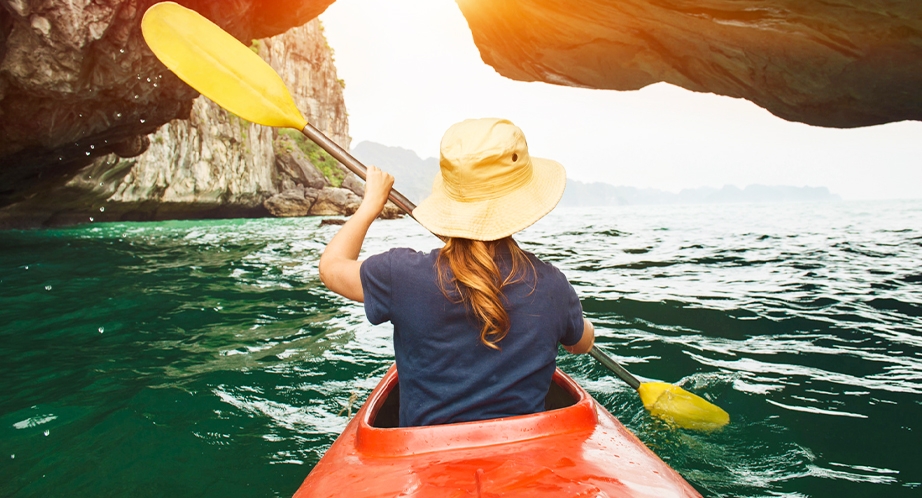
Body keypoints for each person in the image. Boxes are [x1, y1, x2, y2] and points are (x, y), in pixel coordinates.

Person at [319, 117, 595, 427]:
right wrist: (570, 320)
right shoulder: (552, 286)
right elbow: (581, 344)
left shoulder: (400, 275)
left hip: (426, 459)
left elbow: (331, 268)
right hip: (522, 453)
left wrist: (370, 205)